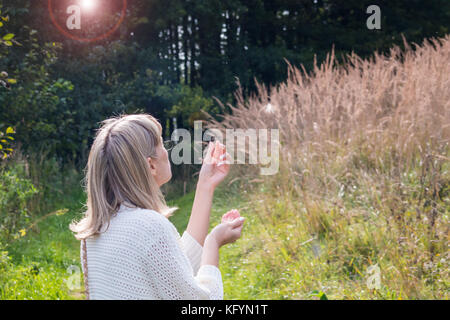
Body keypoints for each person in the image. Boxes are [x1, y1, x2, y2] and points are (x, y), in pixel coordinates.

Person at [70, 113, 245, 299]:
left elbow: (172, 271)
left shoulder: (94, 232)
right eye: (161, 144)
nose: (166, 151)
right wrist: (213, 242)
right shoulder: (149, 226)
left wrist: (205, 185)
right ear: (151, 166)